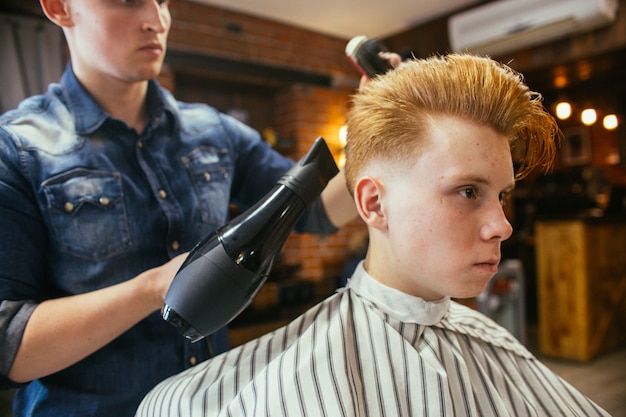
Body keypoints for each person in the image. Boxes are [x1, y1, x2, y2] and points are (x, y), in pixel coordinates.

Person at [135, 54, 611, 417]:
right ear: (374, 205)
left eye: (501, 195)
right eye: (468, 191)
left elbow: (317, 214)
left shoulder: (499, 349)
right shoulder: (232, 395)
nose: (502, 225)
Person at [0, 0, 385, 415]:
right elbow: (9, 346)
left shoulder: (214, 131)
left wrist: (376, 126)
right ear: (59, 8)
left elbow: (317, 212)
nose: (156, 20)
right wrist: (152, 289)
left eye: (162, 1)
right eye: (128, 1)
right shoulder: (17, 150)